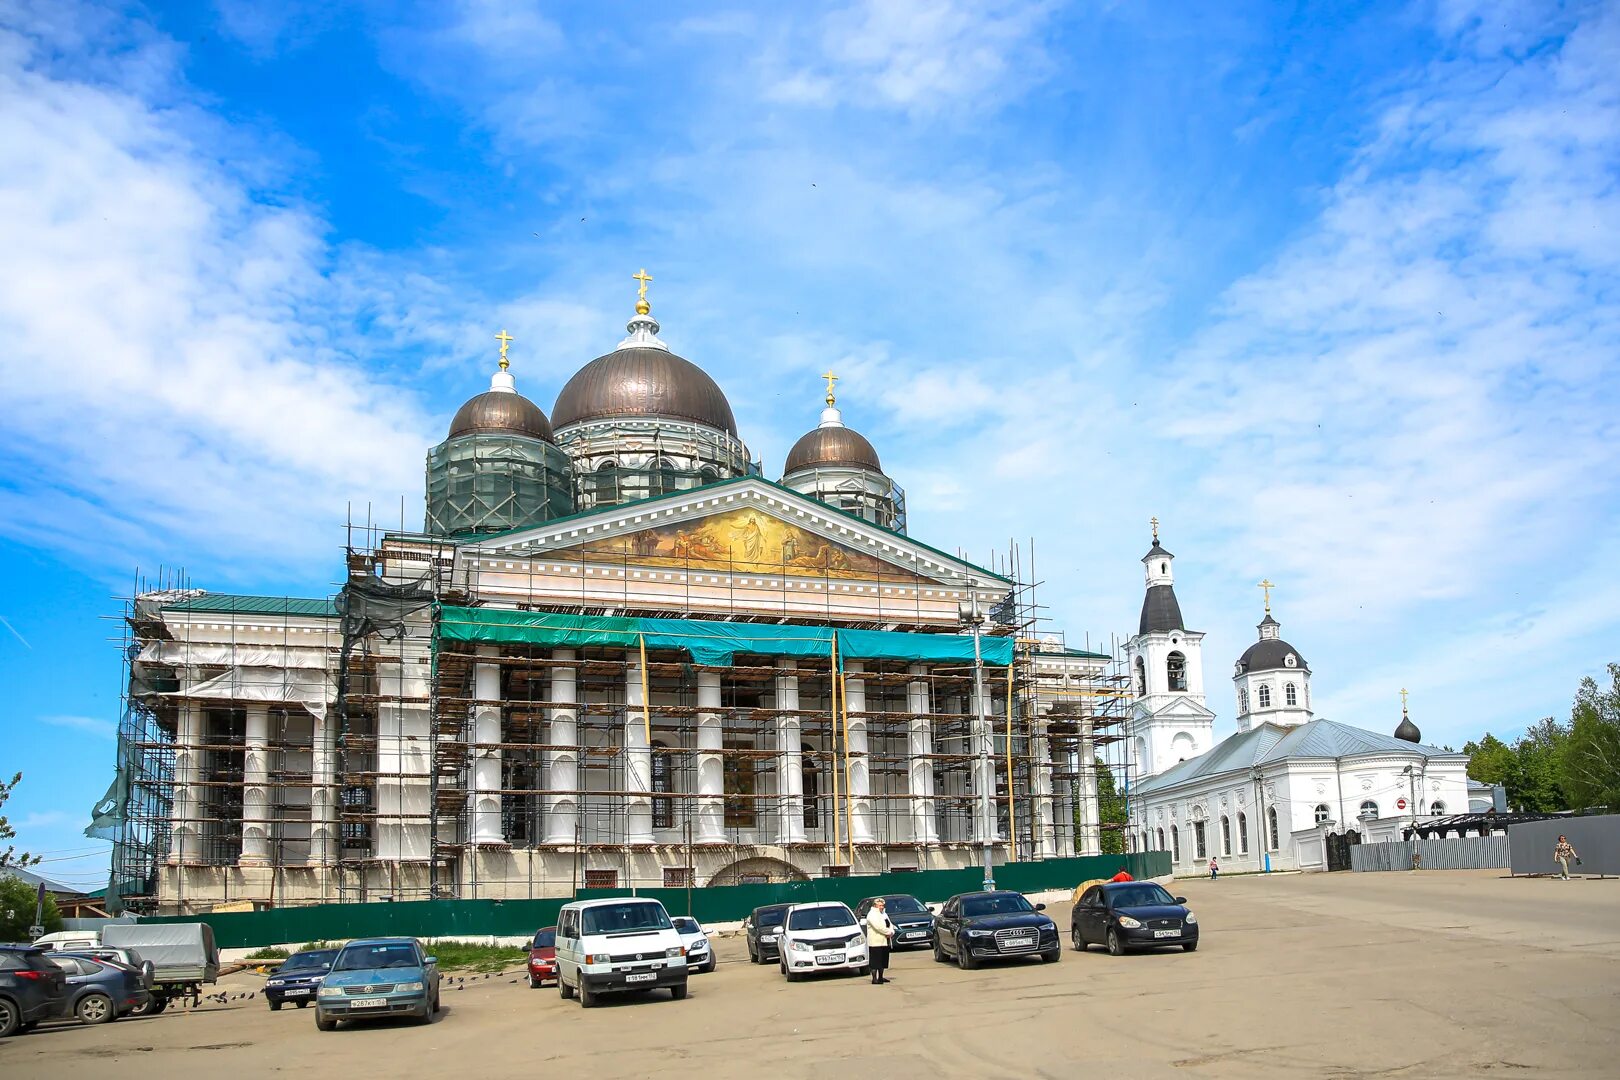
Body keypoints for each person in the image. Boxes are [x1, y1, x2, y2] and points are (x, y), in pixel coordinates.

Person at [865, 897, 896, 984]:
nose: (882, 907)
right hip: (875, 943)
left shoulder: (884, 914)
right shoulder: (871, 915)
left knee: (882, 961)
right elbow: (878, 927)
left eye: (882, 905)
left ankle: (881, 977)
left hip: (884, 941)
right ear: (875, 906)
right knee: (875, 962)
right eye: (880, 905)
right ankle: (874, 979)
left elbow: (890, 924)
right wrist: (888, 932)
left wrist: (891, 931)